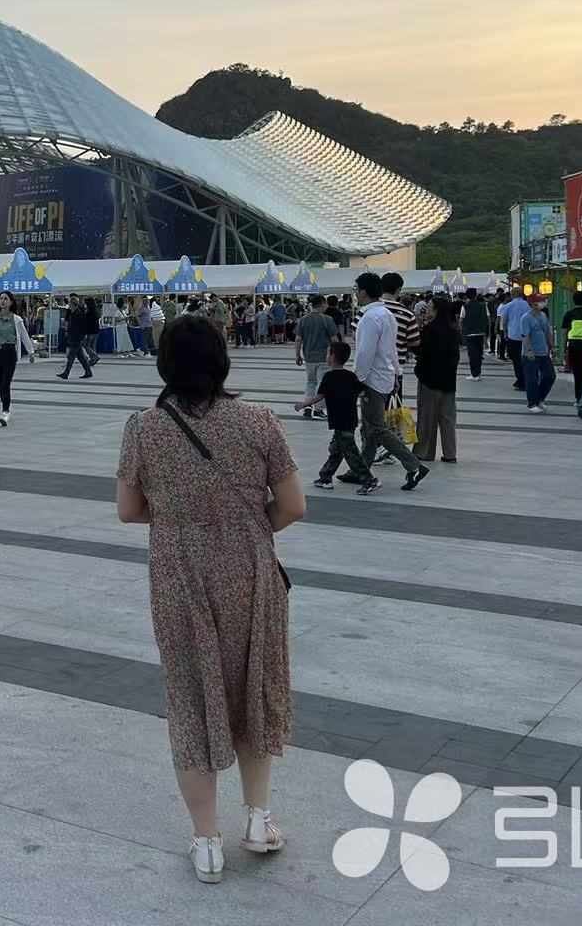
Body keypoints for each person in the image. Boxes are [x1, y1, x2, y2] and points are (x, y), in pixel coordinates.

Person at [115, 314, 303, 883]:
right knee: (254, 688)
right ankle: (258, 820)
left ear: (165, 365)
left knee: (193, 699)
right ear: (222, 360)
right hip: (251, 573)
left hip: (180, 578)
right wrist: (246, 526)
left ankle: (206, 843)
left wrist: (180, 519)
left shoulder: (144, 428)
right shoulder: (259, 420)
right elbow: (293, 506)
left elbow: (128, 510)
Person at [353, 272, 428, 489]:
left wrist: (358, 380)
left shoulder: (369, 318)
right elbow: (392, 349)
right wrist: (396, 372)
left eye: (356, 290)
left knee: (376, 428)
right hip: (386, 376)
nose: (355, 294)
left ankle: (414, 465)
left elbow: (365, 353)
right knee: (370, 428)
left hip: (372, 379)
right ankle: (361, 470)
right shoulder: (386, 315)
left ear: (364, 292)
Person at [295, 340, 376, 494]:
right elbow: (363, 392)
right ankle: (325, 477)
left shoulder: (329, 377)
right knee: (336, 450)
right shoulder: (351, 376)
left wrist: (303, 404)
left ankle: (369, 480)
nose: (326, 356)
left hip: (339, 420)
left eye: (328, 353)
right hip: (350, 419)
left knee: (351, 453)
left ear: (332, 357)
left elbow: (319, 397)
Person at [413, 298, 461, 462]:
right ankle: (450, 453)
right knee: (448, 419)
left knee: (427, 418)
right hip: (449, 381)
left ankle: (424, 452)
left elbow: (422, 353)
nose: (426, 310)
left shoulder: (429, 330)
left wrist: (418, 370)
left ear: (436, 311)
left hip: (429, 380)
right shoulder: (453, 330)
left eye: (429, 307)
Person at [0, 290, 33, 427]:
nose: (2, 301)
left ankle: (5, 411)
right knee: (0, 383)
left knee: (5, 383)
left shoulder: (17, 319)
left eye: (5, 299)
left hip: (10, 353)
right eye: (1, 298)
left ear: (11, 302)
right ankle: (5, 407)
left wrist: (31, 352)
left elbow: (24, 335)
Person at [293, 295, 337, 418]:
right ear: (322, 304)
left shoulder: (303, 320)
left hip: (308, 357)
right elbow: (334, 339)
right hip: (324, 357)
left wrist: (297, 355)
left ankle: (307, 407)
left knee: (310, 382)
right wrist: (335, 355)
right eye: (325, 303)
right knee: (322, 384)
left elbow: (298, 339)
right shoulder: (327, 319)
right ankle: (318, 409)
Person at [522, 293, 556, 413]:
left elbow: (548, 332)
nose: (543, 303)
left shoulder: (543, 315)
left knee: (550, 376)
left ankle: (540, 399)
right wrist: (529, 350)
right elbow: (525, 336)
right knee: (532, 379)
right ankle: (532, 403)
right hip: (531, 354)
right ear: (532, 304)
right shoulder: (526, 318)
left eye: (543, 301)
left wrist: (552, 346)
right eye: (540, 301)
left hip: (544, 352)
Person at [561, 290, 582, 404]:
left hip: (574, 346)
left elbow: (564, 332)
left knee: (578, 374)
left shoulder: (569, 314)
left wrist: (564, 348)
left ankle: (579, 397)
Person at [497, 285, 531, 390]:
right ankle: (526, 379)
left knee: (516, 359)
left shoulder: (508, 306)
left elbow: (504, 321)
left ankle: (520, 380)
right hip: (526, 336)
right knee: (526, 358)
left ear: (512, 295)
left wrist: (505, 333)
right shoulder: (527, 305)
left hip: (513, 336)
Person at [58, 293, 94, 380]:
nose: (69, 305)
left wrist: (82, 336)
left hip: (77, 337)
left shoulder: (78, 313)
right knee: (81, 357)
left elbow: (82, 326)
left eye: (70, 304)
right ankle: (88, 372)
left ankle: (66, 373)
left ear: (73, 304)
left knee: (71, 356)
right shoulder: (73, 312)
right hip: (73, 336)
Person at [459, 287, 488, 380]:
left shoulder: (465, 306)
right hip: (480, 333)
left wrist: (461, 331)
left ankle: (474, 374)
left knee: (472, 355)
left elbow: (461, 320)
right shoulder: (483, 305)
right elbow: (486, 319)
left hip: (469, 333)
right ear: (475, 295)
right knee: (479, 354)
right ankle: (478, 373)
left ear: (467, 296)